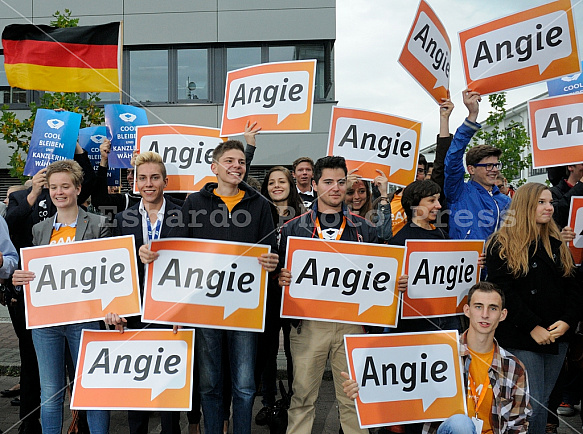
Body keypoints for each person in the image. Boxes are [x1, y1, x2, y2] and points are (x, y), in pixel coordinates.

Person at [140, 140, 279, 434]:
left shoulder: (261, 205)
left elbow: (272, 251)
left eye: (241, 161)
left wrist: (271, 261)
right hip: (204, 311)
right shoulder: (194, 202)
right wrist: (151, 254)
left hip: (244, 309)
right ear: (214, 167)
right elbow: (176, 249)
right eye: (229, 161)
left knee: (244, 386)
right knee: (210, 384)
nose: (236, 166)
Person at [277, 156, 406, 433]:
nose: (335, 188)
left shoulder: (365, 229)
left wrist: (395, 282)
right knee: (301, 398)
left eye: (340, 182)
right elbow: (279, 274)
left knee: (352, 400)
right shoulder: (293, 228)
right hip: (309, 324)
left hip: (352, 324)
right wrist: (280, 277)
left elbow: (380, 276)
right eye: (328, 182)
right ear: (314, 184)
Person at [342, 282, 531, 434]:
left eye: (493, 308)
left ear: (502, 315)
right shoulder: (437, 353)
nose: (484, 315)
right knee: (460, 424)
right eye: (478, 306)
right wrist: (362, 391)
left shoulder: (513, 367)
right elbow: (396, 390)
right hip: (451, 431)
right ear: (466, 310)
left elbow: (519, 424)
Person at [11, 160, 110, 434]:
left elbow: (110, 274)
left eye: (65, 186)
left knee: (91, 390)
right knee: (51, 394)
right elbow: (36, 276)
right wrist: (20, 279)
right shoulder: (39, 230)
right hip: (47, 323)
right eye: (54, 187)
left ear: (78, 188)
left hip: (85, 319)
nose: (59, 192)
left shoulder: (100, 225)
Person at [486, 182, 581, 434]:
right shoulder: (500, 243)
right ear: (526, 205)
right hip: (521, 336)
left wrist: (568, 321)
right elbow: (503, 293)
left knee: (543, 404)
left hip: (557, 334)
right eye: (542, 202)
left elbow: (573, 285)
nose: (549, 207)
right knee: (532, 405)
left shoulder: (556, 242)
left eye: (550, 202)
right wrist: (532, 326)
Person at [104, 151, 181, 434]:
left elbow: (196, 263)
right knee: (138, 380)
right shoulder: (122, 219)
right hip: (135, 310)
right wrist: (119, 310)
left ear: (165, 181)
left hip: (171, 310)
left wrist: (184, 311)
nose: (149, 183)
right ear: (135, 182)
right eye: (143, 178)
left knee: (170, 381)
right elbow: (114, 269)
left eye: (155, 178)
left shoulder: (184, 214)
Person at [254, 166, 304, 426]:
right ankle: (269, 402)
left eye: (281, 181)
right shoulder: (259, 215)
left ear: (290, 184)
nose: (276, 186)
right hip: (268, 293)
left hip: (296, 293)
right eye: (271, 182)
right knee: (268, 350)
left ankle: (295, 402)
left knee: (295, 350)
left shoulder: (306, 217)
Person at [444, 89, 510, 241]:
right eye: (488, 166)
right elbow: (453, 158)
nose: (494, 170)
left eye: (496, 165)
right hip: (464, 261)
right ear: (471, 169)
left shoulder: (506, 201)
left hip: (497, 264)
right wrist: (472, 117)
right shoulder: (459, 192)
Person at [345, 169, 392, 242]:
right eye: (350, 192)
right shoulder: (336, 217)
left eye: (362, 191)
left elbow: (384, 236)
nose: (357, 196)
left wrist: (383, 195)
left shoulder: (372, 216)